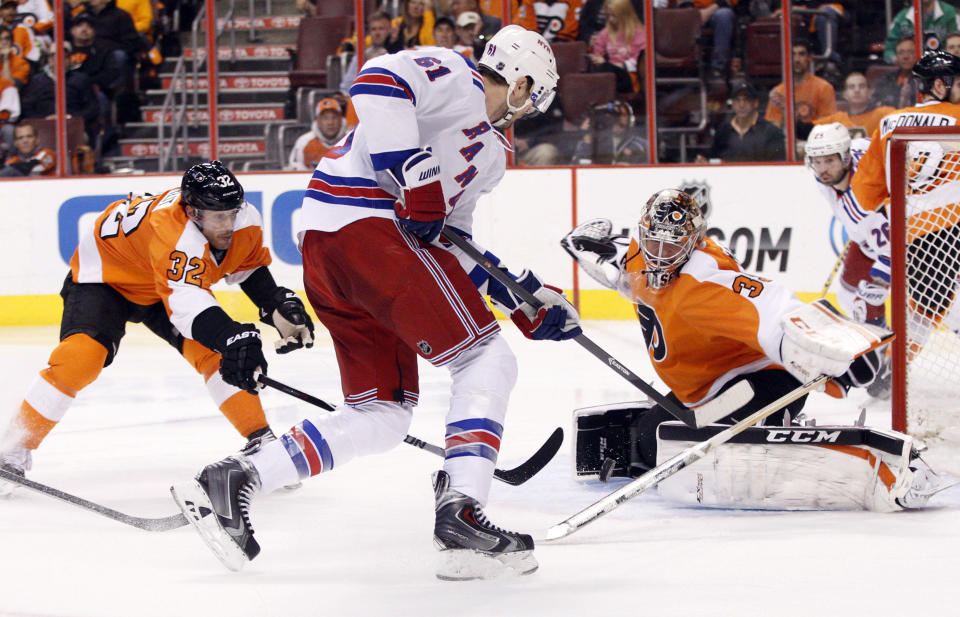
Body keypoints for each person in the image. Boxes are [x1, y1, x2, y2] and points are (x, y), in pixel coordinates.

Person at [171, 25, 578, 579]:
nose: (529, 108)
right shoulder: (452, 73)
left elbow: (446, 237)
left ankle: (240, 477)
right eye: (533, 94)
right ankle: (461, 509)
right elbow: (376, 82)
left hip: (341, 249)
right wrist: (413, 171)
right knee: (485, 358)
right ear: (522, 79)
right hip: (361, 228)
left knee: (381, 414)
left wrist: (521, 293)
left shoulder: (492, 155)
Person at [560, 191, 939, 512]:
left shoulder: (705, 279)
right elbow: (622, 272)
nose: (660, 254)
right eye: (652, 241)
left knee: (691, 453)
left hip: (762, 382)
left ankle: (805, 445)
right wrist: (586, 247)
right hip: (708, 387)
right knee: (647, 440)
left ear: (692, 241)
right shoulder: (640, 254)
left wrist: (839, 350)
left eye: (672, 244)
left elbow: (776, 311)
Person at [0, 161, 315, 495]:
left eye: (232, 213)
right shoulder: (171, 230)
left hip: (159, 283)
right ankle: (12, 449)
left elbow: (247, 268)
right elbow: (185, 304)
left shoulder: (243, 218)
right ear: (193, 212)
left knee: (216, 353)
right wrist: (231, 335)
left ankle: (262, 442)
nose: (228, 224)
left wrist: (276, 306)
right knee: (80, 359)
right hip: (106, 279)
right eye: (218, 217)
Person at [852, 50, 960, 366]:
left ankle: (890, 371)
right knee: (929, 309)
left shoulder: (888, 124)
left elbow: (866, 193)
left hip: (909, 234)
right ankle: (890, 371)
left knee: (925, 310)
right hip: (951, 227)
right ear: (940, 85)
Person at [804, 122, 891, 397]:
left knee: (943, 305)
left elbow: (897, 234)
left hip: (905, 242)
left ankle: (885, 359)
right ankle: (881, 349)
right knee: (846, 295)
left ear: (844, 157)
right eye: (817, 162)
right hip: (869, 241)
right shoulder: (824, 179)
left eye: (829, 160)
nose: (823, 168)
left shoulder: (868, 186)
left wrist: (883, 274)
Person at [697, 80, 785, 162]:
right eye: (737, 100)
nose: (741, 105)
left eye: (746, 100)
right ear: (732, 103)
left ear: (755, 103)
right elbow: (714, 159)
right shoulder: (723, 130)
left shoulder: (771, 131)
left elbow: (777, 166)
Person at [764, 39, 837, 134]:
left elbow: (826, 127)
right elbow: (773, 131)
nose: (796, 59)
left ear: (810, 58)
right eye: (793, 55)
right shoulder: (779, 92)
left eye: (801, 54)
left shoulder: (824, 88)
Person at [588, 0, 645, 94]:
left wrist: (614, 65)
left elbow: (639, 62)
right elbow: (598, 53)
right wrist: (596, 59)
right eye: (608, 15)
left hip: (630, 76)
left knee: (606, 68)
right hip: (610, 73)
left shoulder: (639, 33)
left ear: (624, 14)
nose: (610, 19)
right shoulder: (605, 33)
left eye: (614, 15)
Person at [814, 72, 895, 137]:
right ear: (845, 94)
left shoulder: (883, 114)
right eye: (852, 87)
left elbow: (905, 116)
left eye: (862, 86)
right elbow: (809, 128)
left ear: (870, 92)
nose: (857, 90)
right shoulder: (837, 119)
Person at [885, 0, 960, 65]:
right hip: (912, 71)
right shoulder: (902, 18)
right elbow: (889, 50)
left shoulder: (951, 14)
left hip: (944, 70)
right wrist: (900, 60)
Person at [287, 97, 350, 171]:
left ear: (341, 120)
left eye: (334, 117)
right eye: (325, 118)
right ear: (318, 121)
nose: (330, 122)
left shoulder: (352, 141)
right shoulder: (304, 142)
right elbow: (295, 172)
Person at [337, 11, 391, 95]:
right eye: (373, 29)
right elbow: (347, 86)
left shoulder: (398, 54)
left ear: (389, 30)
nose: (377, 33)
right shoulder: (362, 55)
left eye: (381, 29)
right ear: (369, 32)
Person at [872, 37, 919, 109]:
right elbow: (875, 102)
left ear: (918, 54)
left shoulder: (923, 80)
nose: (905, 57)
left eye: (910, 52)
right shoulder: (887, 80)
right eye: (901, 52)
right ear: (896, 56)